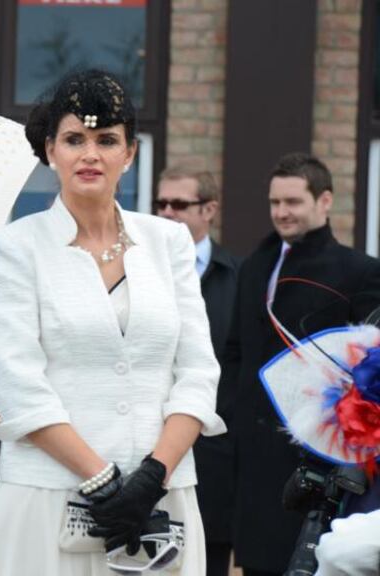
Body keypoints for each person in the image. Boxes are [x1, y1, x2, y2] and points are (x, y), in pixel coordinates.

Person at [0, 70, 224, 576]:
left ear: (129, 153)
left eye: (107, 140)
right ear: (49, 150)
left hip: (158, 504)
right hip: (46, 497)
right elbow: (18, 384)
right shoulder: (16, 247)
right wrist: (100, 479)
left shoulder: (168, 242)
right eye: (74, 139)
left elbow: (197, 372)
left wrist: (153, 475)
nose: (90, 154)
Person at [223, 152, 380, 576]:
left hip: (317, 459)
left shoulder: (361, 271)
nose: (281, 212)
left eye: (293, 202)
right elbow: (236, 352)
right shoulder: (255, 265)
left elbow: (368, 367)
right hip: (253, 456)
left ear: (324, 201)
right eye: (275, 203)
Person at [155, 165, 239, 576]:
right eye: (161, 204)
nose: (167, 212)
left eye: (179, 204)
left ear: (209, 209)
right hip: (152, 451)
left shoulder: (238, 276)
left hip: (215, 457)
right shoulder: (139, 271)